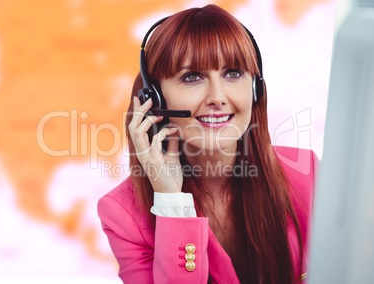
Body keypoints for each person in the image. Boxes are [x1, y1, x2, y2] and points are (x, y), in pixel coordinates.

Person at [97, 4, 318, 284]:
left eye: (233, 73)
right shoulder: (123, 215)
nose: (217, 96)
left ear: (255, 87)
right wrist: (171, 202)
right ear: (155, 99)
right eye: (192, 77)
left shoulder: (307, 174)